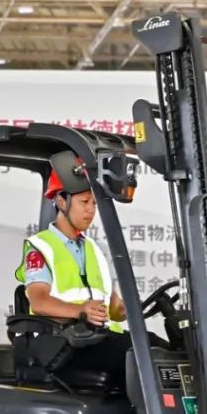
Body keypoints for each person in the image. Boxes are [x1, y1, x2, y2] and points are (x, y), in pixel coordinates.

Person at [14, 153, 131, 384]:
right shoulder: (41, 247)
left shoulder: (93, 249)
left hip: (97, 337)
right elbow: (39, 302)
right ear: (61, 201)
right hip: (67, 343)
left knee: (158, 348)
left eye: (94, 203)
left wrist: (127, 309)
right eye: (84, 202)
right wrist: (80, 311)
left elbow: (113, 307)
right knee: (137, 355)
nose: (91, 210)